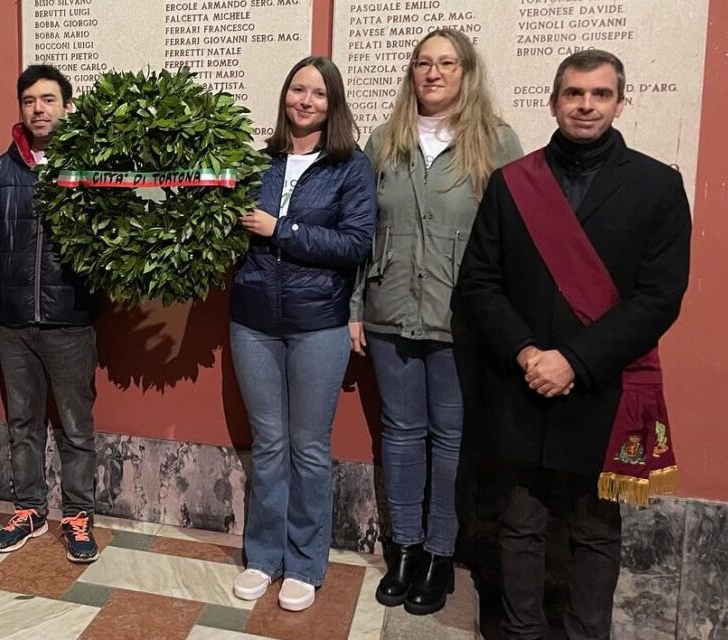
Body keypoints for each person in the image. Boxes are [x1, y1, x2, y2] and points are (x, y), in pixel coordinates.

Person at [453, 50, 690, 639]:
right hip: (521, 382)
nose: (586, 105)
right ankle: (520, 630)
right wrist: (529, 353)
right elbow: (479, 283)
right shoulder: (513, 183)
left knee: (593, 529)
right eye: (575, 94)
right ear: (554, 100)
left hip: (599, 385)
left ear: (620, 102)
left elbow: (660, 297)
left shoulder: (658, 185)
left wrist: (575, 361)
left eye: (600, 94)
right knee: (519, 523)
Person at [349, 29, 522, 615]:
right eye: (424, 63)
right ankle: (404, 549)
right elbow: (360, 232)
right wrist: (353, 310)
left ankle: (440, 556)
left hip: (461, 320)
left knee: (450, 440)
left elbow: (514, 241)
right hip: (390, 311)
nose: (434, 73)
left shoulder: (496, 143)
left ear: (466, 72)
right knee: (399, 435)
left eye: (447, 63)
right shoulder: (385, 140)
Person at [228, 56, 376, 612]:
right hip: (253, 323)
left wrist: (280, 230)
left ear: (332, 103)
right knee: (268, 446)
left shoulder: (350, 166)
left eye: (317, 93)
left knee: (309, 449)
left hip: (318, 325)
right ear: (285, 96)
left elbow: (355, 244)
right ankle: (264, 556)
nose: (305, 101)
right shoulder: (258, 162)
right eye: (297, 90)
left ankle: (305, 564)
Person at [0, 64, 100, 563]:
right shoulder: (5, 170)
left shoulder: (89, 163)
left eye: (48, 99)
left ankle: (79, 514)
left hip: (69, 319)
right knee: (21, 420)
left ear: (67, 106)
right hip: (13, 321)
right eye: (29, 100)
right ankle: (28, 508)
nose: (38, 109)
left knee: (74, 425)